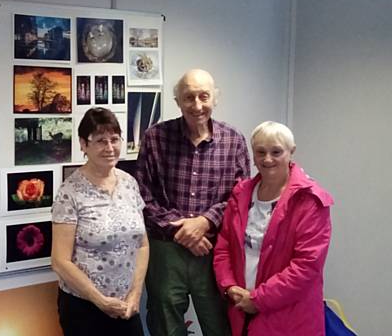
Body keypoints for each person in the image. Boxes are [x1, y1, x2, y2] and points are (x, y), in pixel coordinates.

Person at [136, 69, 250, 336]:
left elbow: (240, 197)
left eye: (204, 96)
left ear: (215, 98)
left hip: (214, 250)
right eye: (189, 97)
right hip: (165, 250)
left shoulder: (234, 141)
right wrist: (181, 231)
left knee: (220, 323)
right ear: (178, 101)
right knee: (165, 323)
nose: (197, 105)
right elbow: (141, 193)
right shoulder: (155, 137)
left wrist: (205, 221)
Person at [213, 121, 333, 336]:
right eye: (260, 152)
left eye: (276, 151)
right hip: (241, 309)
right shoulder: (241, 193)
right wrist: (229, 287)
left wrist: (258, 300)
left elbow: (306, 267)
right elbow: (223, 247)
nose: (267, 159)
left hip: (288, 317)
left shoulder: (310, 200)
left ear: (291, 152)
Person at [51, 107, 149, 336]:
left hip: (127, 306)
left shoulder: (129, 183)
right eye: (100, 141)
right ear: (83, 145)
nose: (109, 147)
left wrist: (136, 293)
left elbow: (142, 244)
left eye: (114, 139)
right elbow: (59, 261)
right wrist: (101, 301)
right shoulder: (70, 191)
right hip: (84, 309)